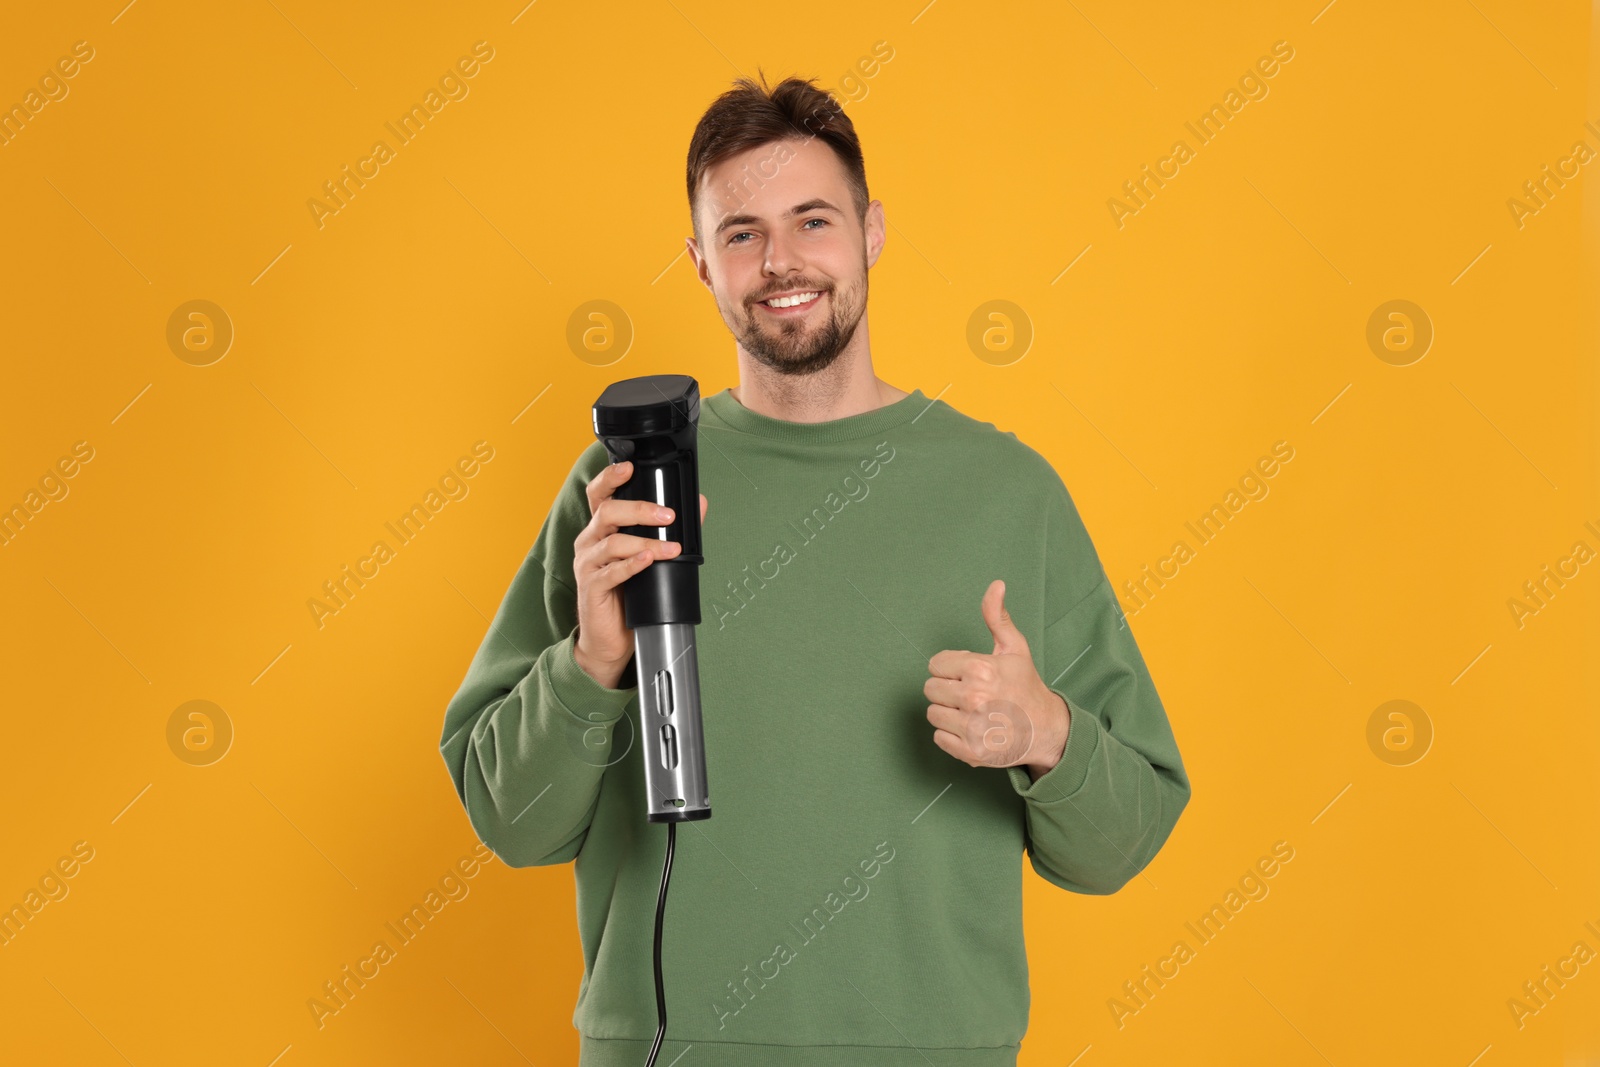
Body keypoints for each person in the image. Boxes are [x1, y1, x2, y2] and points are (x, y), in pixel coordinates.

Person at [439, 70, 1190, 1067]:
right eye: (740, 231)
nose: (779, 260)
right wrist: (591, 659)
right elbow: (513, 824)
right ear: (700, 264)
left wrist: (1047, 732)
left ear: (871, 232)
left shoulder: (1006, 491)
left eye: (811, 220)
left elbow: (1118, 845)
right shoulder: (623, 487)